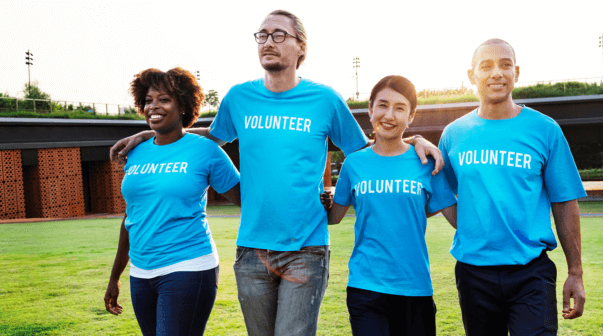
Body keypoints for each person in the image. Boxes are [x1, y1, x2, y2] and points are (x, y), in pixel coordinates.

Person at [108, 10, 444, 336]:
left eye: (279, 35)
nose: (268, 41)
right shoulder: (239, 97)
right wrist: (151, 138)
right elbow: (205, 142)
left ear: (301, 47)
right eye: (262, 35)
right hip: (252, 250)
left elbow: (368, 149)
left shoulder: (325, 99)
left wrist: (410, 138)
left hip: (306, 250)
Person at [438, 39, 587, 335]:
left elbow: (564, 201)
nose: (497, 73)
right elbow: (444, 194)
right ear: (472, 76)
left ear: (516, 73)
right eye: (486, 66)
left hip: (531, 272)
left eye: (505, 64)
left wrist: (575, 272)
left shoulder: (545, 130)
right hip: (473, 274)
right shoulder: (454, 134)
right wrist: (470, 226)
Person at [104, 68, 241, 336]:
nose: (153, 106)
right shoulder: (136, 152)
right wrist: (114, 276)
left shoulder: (207, 151)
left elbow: (246, 199)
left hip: (188, 266)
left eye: (164, 99)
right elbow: (132, 216)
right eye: (148, 100)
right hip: (141, 272)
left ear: (183, 106)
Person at [324, 75, 457, 336]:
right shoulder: (353, 164)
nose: (389, 115)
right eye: (383, 105)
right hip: (365, 287)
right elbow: (333, 217)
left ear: (411, 116)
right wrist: (319, 196)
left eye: (400, 108)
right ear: (371, 109)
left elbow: (458, 220)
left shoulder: (427, 164)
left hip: (415, 287)